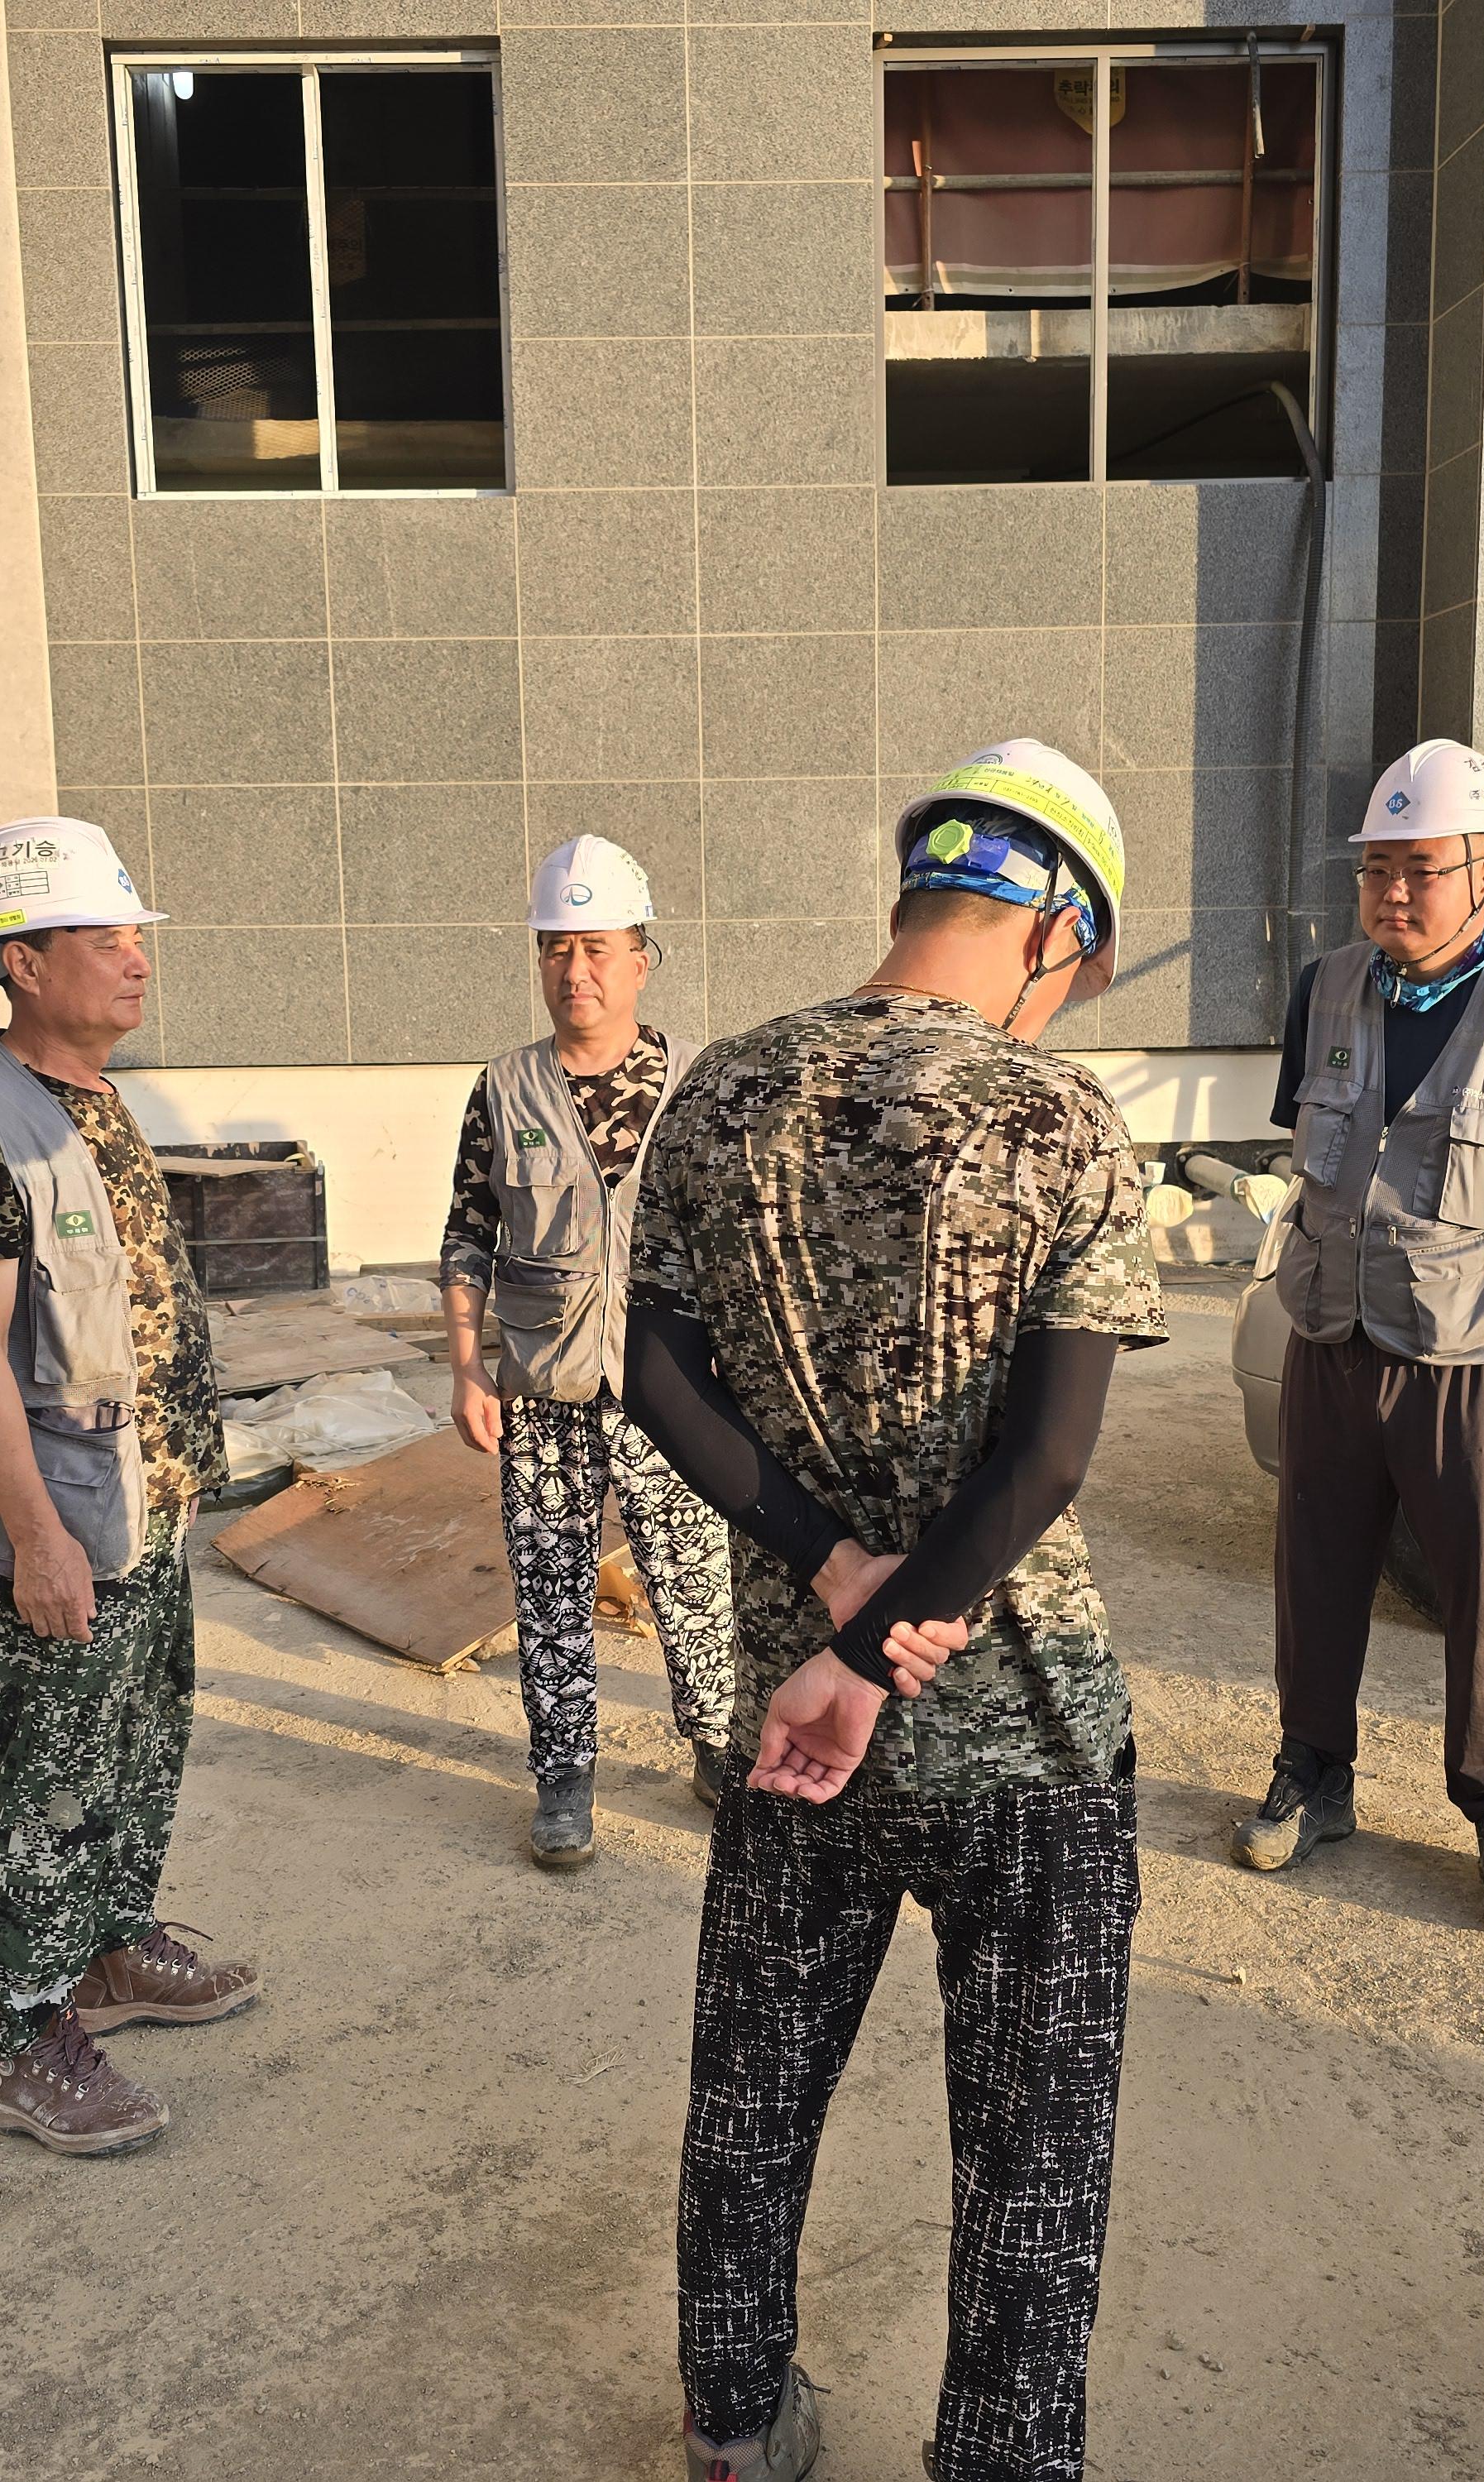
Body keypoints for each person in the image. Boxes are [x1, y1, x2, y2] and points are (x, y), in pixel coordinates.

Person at [619, 738, 1166, 2482]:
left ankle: (731, 2423)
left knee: (754, 2095)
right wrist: (893, 1632)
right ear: (1055, 931)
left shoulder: (718, 1089)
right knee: (1029, 2153)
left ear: (920, 888)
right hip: (1027, 1732)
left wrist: (833, 1585)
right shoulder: (1061, 1120)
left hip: (797, 1718)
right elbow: (1048, 1457)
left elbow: (656, 1380)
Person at [1229, 739, 1484, 1937]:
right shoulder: (1327, 988)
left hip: (1473, 1361)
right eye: (1375, 868)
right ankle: (1314, 1772)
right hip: (1329, 1335)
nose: (1391, 893)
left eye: (1420, 868)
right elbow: (1316, 1147)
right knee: (1315, 1572)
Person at [0, 817, 259, 2157]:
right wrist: (36, 1540)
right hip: (66, 1517)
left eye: (135, 937)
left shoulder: (94, 1100)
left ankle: (111, 1947)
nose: (135, 959)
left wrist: (174, 1482)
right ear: (22, 961)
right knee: (49, 1775)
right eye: (105, 938)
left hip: (144, 1498)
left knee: (139, 1740)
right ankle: (22, 2032)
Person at [438, 836, 737, 1866]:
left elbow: (737, 1241)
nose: (576, 971)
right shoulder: (505, 1088)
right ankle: (563, 1778)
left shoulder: (699, 1084)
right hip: (544, 1386)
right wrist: (464, 1364)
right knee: (551, 1585)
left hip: (675, 1388)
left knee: (695, 1579)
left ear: (640, 960)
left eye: (597, 949)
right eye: (557, 949)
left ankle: (717, 1745)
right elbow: (467, 1232)